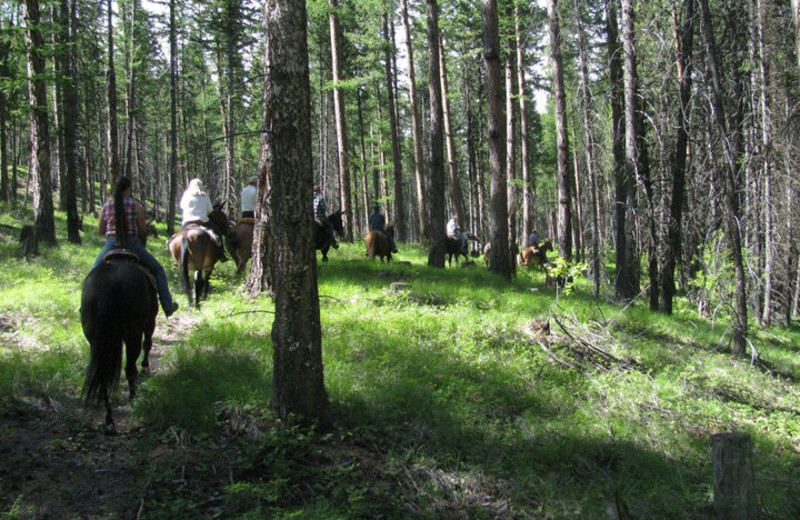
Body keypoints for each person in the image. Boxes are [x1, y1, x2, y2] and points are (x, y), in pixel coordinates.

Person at [91, 176, 179, 317]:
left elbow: (101, 230)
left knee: (92, 273)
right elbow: (143, 230)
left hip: (111, 245)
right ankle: (167, 306)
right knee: (158, 270)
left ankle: (85, 307)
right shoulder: (135, 205)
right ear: (128, 188)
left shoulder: (106, 206)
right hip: (132, 245)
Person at [180, 178, 228, 261]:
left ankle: (174, 252)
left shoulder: (186, 194)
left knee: (179, 234)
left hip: (187, 221)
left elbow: (181, 206)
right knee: (217, 232)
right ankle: (221, 253)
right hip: (202, 221)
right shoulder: (205, 196)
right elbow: (210, 211)